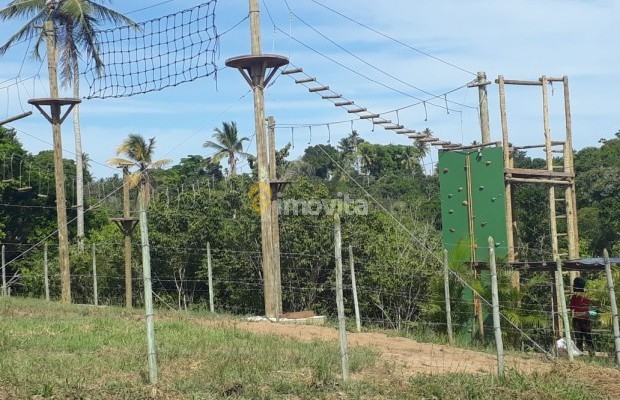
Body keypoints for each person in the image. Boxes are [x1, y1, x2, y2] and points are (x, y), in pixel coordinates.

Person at [568, 277, 595, 353]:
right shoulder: (587, 295)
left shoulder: (574, 296)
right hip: (586, 319)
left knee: (579, 338)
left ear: (576, 286)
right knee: (588, 338)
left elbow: (571, 307)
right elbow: (591, 307)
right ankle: (592, 353)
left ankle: (580, 353)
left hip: (577, 319)